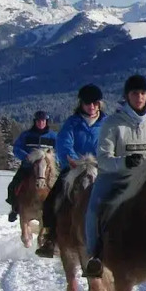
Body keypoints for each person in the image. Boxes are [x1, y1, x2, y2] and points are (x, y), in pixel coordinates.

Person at [84, 74, 146, 276]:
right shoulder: (112, 123)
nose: (139, 97)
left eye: (143, 93)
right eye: (135, 93)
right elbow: (102, 158)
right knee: (94, 208)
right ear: (127, 96)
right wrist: (124, 162)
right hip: (114, 178)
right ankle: (95, 255)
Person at [35, 84, 106, 258]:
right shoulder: (72, 123)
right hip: (74, 168)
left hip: (101, 168)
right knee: (51, 201)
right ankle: (50, 238)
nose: (91, 107)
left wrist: (101, 161)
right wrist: (75, 161)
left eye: (95, 103)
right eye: (88, 103)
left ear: (99, 104)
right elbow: (63, 144)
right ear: (81, 104)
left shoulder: (107, 123)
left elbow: (111, 144)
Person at [5, 110, 57, 221]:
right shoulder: (26, 135)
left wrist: (52, 160)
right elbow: (17, 148)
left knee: (59, 186)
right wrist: (26, 156)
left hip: (47, 168)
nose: (40, 123)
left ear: (46, 122)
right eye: (38, 121)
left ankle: (56, 209)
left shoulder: (53, 136)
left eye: (43, 121)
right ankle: (15, 208)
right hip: (29, 166)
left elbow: (59, 150)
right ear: (35, 122)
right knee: (14, 185)